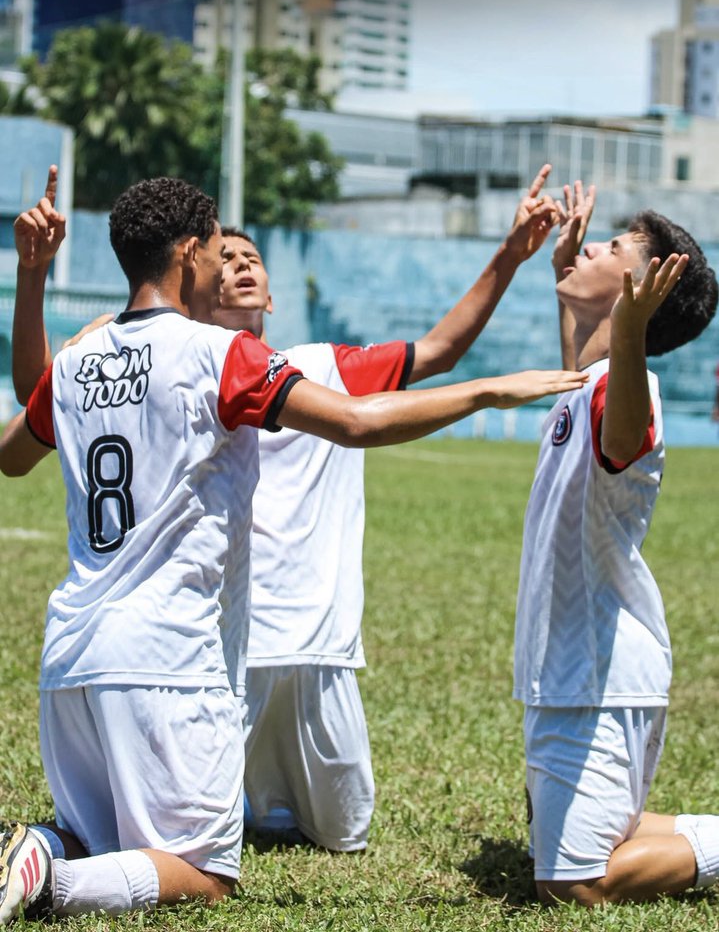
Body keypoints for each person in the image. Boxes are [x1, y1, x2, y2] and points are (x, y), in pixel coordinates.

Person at [0, 175, 584, 924]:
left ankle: (45, 849)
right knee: (203, 872)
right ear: (188, 253)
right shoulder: (222, 354)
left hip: (70, 652)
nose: (225, 263)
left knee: (98, 836)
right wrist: (485, 392)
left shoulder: (80, 359)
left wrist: (31, 276)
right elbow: (357, 424)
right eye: (217, 249)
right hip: (168, 656)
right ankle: (51, 883)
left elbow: (14, 454)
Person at [215, 168, 565, 853]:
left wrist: (509, 256)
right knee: (199, 830)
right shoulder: (188, 365)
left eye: (251, 257)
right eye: (223, 260)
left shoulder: (325, 365)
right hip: (229, 637)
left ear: (273, 292)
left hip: (318, 632)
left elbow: (437, 352)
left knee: (345, 834)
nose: (240, 265)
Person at [513, 182, 719, 907]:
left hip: (599, 675)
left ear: (639, 291)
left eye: (612, 247)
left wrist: (626, 333)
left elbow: (621, 435)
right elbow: (585, 367)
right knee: (574, 835)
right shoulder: (589, 376)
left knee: (575, 881)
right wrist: (565, 280)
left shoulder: (634, 391)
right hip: (564, 668)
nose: (589, 242)